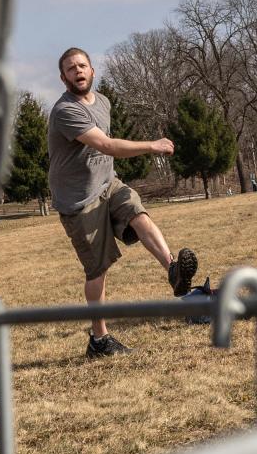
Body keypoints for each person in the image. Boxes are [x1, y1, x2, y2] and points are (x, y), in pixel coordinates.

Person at [47, 47, 197, 359]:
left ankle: (173, 270)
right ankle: (99, 341)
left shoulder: (103, 102)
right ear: (63, 78)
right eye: (71, 68)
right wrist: (150, 146)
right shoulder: (65, 111)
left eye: (82, 65)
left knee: (137, 211)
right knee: (97, 270)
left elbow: (105, 151)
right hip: (79, 200)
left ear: (92, 70)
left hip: (108, 184)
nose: (78, 71)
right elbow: (106, 144)